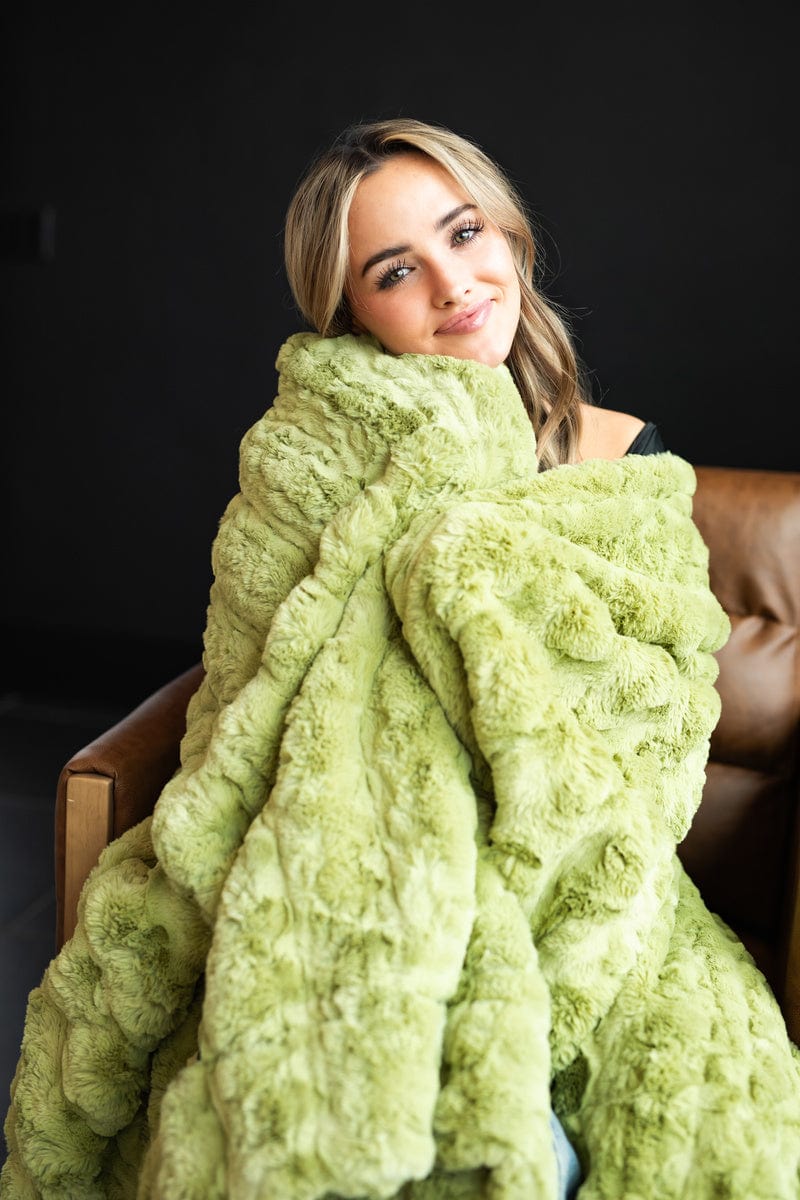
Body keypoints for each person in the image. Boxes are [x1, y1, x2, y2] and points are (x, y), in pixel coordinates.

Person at [3, 118, 800, 1200]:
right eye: (394, 270)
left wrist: (464, 576)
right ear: (351, 316)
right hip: (349, 851)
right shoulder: (308, 457)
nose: (451, 283)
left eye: (463, 233)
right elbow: (250, 696)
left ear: (507, 236)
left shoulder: (624, 457)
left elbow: (658, 703)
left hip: (565, 854)